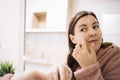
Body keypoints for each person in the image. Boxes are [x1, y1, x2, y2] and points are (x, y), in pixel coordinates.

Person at [1, 10, 120, 80]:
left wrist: (90, 68)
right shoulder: (72, 59)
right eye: (83, 29)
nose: (93, 33)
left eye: (95, 26)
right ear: (72, 38)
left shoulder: (114, 54)